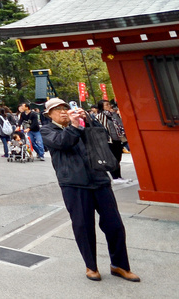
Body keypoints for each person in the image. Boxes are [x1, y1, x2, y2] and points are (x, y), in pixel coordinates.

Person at [41, 98, 140, 282]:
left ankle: (120, 265)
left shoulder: (82, 123)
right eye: (57, 110)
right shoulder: (47, 130)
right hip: (74, 184)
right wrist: (75, 125)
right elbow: (63, 142)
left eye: (65, 108)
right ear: (49, 114)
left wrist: (88, 119)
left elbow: (102, 136)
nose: (63, 112)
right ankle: (91, 266)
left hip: (99, 179)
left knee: (115, 225)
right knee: (83, 227)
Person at [95, 100, 127, 184]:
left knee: (118, 158)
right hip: (108, 140)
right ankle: (115, 177)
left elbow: (120, 123)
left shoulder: (113, 115)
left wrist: (115, 115)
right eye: (106, 105)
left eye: (109, 104)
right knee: (113, 159)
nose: (109, 106)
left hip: (118, 138)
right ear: (102, 107)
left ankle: (119, 176)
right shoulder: (99, 116)